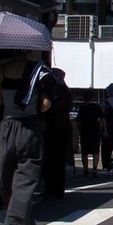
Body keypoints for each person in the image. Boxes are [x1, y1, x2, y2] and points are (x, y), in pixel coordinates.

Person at [0, 49, 53, 225]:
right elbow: (45, 103)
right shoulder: (38, 71)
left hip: (7, 127)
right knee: (25, 181)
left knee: (5, 179)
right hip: (30, 127)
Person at [41, 67, 73, 199]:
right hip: (64, 128)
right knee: (58, 161)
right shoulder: (66, 90)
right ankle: (57, 189)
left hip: (54, 128)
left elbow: (52, 108)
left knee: (52, 161)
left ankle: (52, 190)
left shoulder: (57, 91)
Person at [76, 95, 105, 177]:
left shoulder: (82, 108)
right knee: (95, 151)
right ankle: (95, 169)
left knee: (84, 152)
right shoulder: (96, 107)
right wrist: (105, 130)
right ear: (92, 99)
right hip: (95, 130)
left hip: (84, 131)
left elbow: (78, 121)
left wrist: (79, 130)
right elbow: (102, 118)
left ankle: (85, 169)